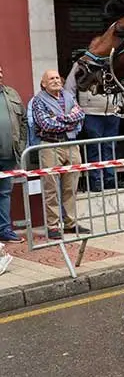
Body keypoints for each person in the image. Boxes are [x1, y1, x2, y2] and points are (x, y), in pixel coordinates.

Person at [31, 69, 88, 237]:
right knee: (51, 189)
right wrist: (69, 119)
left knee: (71, 187)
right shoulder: (38, 101)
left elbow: (81, 115)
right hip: (50, 146)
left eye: (57, 77)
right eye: (51, 78)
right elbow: (46, 124)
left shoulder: (69, 96)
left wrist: (60, 118)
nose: (56, 80)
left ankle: (70, 223)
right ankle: (53, 226)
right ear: (43, 84)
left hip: (71, 145)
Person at [0, 63, 28, 243]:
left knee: (4, 193)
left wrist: (21, 144)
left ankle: (4, 230)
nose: (0, 74)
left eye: (0, 70)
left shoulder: (11, 94)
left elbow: (23, 121)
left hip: (8, 155)